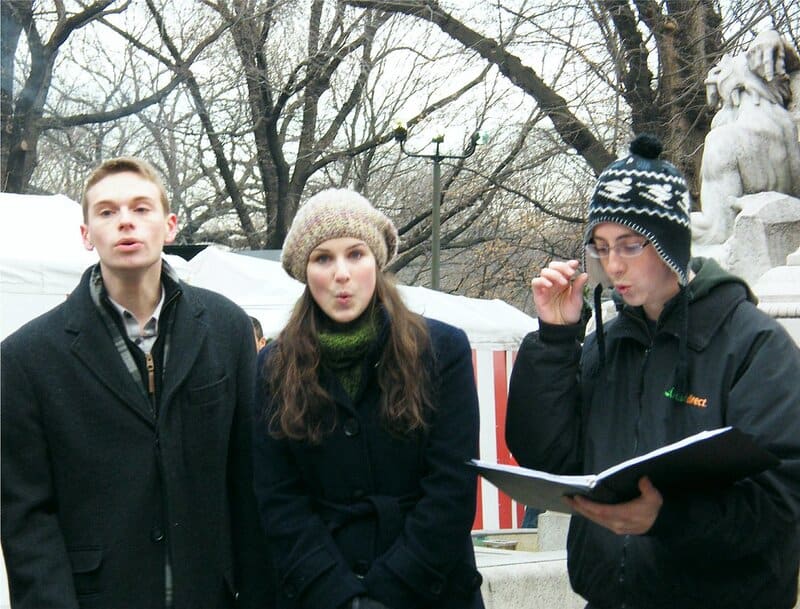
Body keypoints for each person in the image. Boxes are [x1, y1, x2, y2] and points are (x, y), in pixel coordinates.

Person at [506, 134, 800, 609]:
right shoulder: (607, 345)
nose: (613, 264)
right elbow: (549, 459)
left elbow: (783, 502)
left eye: (630, 244)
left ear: (669, 244)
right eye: (601, 246)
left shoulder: (753, 345)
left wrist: (667, 518)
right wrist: (555, 338)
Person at [1, 158, 271, 609]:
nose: (125, 220)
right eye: (106, 212)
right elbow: (27, 517)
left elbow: (247, 480)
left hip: (209, 592)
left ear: (169, 225)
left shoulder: (226, 329)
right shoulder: (26, 358)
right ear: (86, 235)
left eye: (141, 208)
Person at [252, 188, 484, 609]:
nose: (341, 273)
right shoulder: (275, 367)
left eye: (355, 254)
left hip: (429, 589)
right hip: (321, 593)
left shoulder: (441, 350)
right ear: (306, 271)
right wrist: (340, 596)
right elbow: (278, 498)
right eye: (323, 258)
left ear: (376, 261)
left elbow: (451, 488)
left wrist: (389, 591)